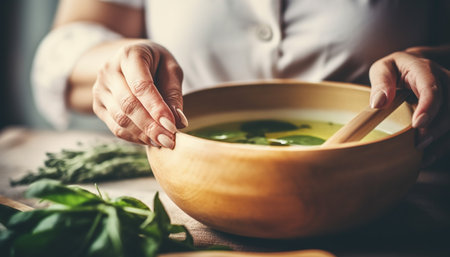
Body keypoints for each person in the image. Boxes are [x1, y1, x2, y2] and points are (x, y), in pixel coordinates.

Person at [32, 0, 449, 166]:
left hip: (392, 187)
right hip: (190, 180)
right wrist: (116, 63)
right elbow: (64, 51)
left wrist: (436, 67)